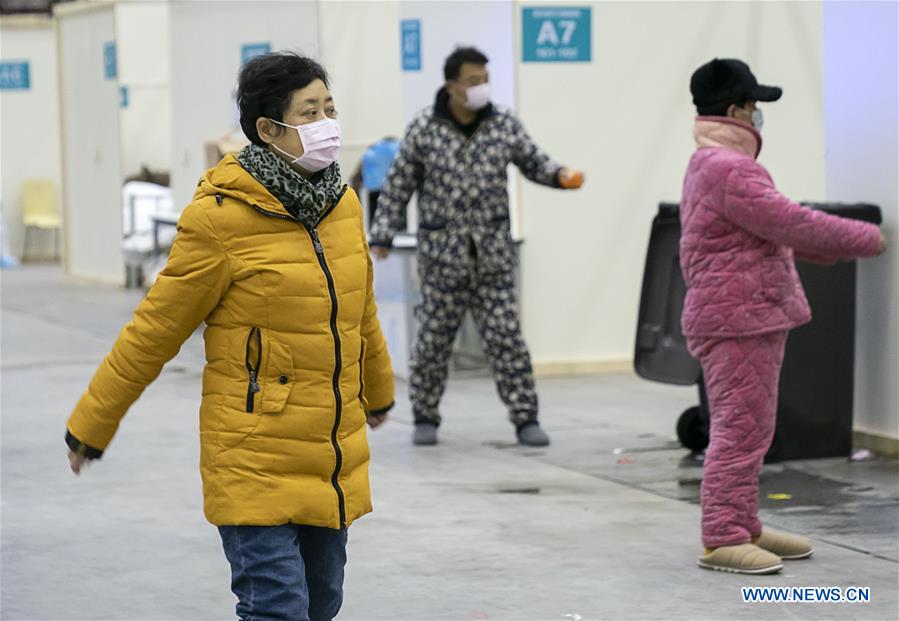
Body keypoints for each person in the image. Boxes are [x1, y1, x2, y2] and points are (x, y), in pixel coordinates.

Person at [64, 52, 395, 620]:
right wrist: (91, 425)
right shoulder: (220, 218)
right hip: (251, 453)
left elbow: (360, 313)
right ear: (268, 129)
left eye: (330, 109)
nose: (326, 124)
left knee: (322, 603)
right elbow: (153, 331)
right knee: (277, 607)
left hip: (329, 453)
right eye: (309, 112)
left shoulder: (342, 205)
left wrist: (379, 392)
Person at [681, 58, 886, 575]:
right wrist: (867, 238)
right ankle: (723, 536)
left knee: (752, 429)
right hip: (736, 319)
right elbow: (790, 221)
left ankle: (744, 523)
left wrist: (831, 248)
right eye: (754, 106)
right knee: (739, 431)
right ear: (735, 111)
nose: (758, 116)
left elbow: (769, 232)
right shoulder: (729, 169)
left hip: (743, 314)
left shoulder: (712, 164)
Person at [369, 46, 584, 447]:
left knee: (507, 340)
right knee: (432, 343)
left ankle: (526, 418)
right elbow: (398, 185)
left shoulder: (502, 123)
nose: (481, 87)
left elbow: (533, 160)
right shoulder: (425, 127)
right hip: (442, 260)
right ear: (451, 86)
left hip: (493, 259)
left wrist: (560, 175)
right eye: (472, 81)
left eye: (485, 80)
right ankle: (425, 417)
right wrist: (382, 234)